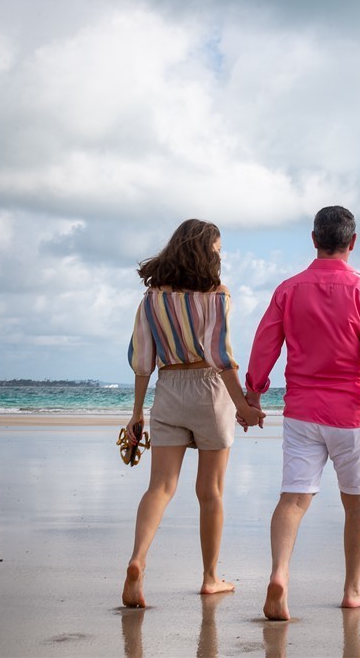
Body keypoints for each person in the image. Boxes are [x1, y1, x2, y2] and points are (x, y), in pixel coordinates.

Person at [241, 205, 360, 621]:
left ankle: (279, 575)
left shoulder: (288, 289)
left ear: (313, 240)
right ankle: (352, 590)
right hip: (352, 416)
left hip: (302, 413)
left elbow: (265, 345)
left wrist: (254, 394)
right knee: (358, 503)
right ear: (352, 243)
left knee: (292, 500)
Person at [122, 219, 265, 608]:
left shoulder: (152, 298)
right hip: (209, 390)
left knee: (160, 487)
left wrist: (137, 413)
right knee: (211, 492)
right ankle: (209, 577)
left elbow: (142, 360)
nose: (221, 255)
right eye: (218, 249)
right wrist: (244, 407)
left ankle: (137, 561)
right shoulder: (217, 296)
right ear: (205, 252)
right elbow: (221, 357)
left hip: (168, 389)